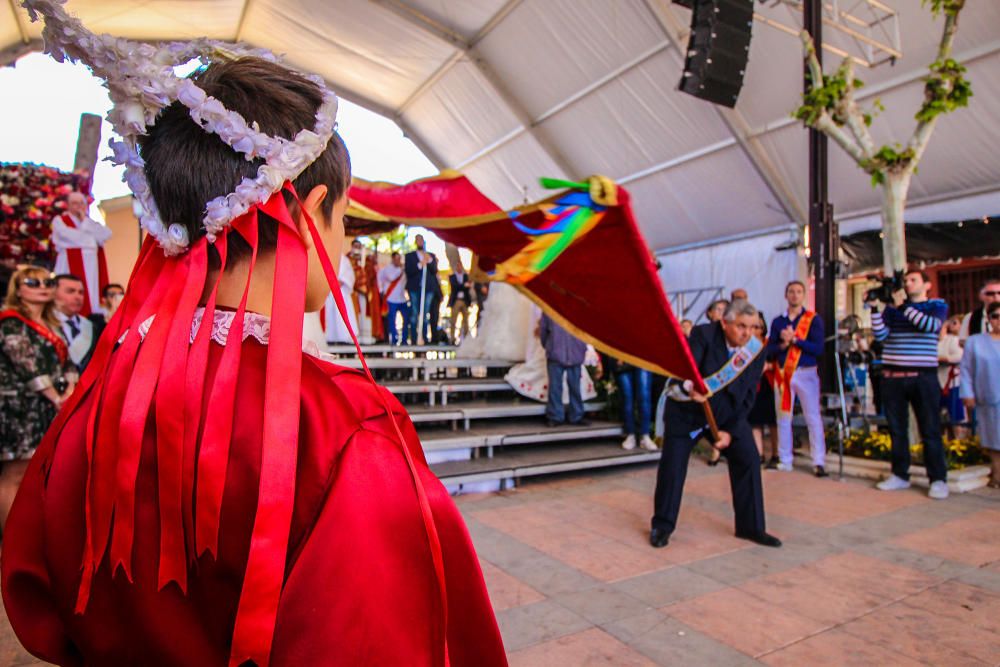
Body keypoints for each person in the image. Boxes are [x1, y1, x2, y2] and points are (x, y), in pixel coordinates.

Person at [1, 21, 505, 667]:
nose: (347, 243)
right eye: (345, 219)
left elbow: (36, 594)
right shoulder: (339, 425)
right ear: (306, 211)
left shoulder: (97, 397)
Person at [650, 300, 780, 549]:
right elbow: (685, 372)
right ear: (724, 323)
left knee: (748, 459)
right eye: (741, 326)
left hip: (726, 416)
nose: (748, 333)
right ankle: (662, 526)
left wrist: (730, 431)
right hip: (687, 413)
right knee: (673, 467)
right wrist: (691, 387)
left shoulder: (755, 349)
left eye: (753, 327)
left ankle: (750, 527)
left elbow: (748, 394)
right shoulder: (703, 335)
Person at [0, 266, 78, 528]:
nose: (42, 286)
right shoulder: (10, 322)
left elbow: (67, 362)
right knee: (16, 473)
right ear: (18, 290)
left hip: (48, 407)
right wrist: (58, 398)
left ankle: (30, 536)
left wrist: (69, 390)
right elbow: (26, 363)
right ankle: (10, 539)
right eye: (32, 282)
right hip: (19, 409)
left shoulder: (51, 323)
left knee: (40, 471)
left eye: (48, 281)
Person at [870, 269, 950, 499]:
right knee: (896, 430)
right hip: (893, 378)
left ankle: (937, 479)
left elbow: (930, 327)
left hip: (922, 377)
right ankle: (900, 475)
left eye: (913, 280)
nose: (908, 283)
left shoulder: (936, 305)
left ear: (926, 285)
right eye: (906, 281)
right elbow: (881, 336)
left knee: (930, 429)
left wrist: (904, 306)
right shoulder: (892, 310)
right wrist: (876, 308)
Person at [769, 280, 827, 477]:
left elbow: (818, 348)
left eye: (799, 292)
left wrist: (796, 340)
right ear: (786, 295)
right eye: (791, 292)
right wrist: (783, 345)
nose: (795, 295)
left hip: (806, 372)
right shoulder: (778, 321)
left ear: (803, 296)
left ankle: (818, 461)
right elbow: (770, 349)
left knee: (813, 417)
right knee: (784, 417)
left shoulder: (813, 320)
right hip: (784, 373)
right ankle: (785, 459)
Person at [51, 191, 112, 316]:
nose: (79, 206)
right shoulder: (60, 220)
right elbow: (67, 235)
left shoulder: (88, 221)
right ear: (67, 205)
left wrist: (84, 223)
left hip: (92, 264)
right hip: (69, 260)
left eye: (82, 203)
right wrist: (91, 238)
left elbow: (106, 234)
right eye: (75, 203)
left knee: (91, 291)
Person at [960, 301, 1000, 488]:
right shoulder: (975, 342)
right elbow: (966, 370)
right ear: (989, 319)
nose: (999, 320)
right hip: (989, 396)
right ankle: (997, 472)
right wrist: (967, 393)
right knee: (992, 437)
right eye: (995, 316)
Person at [539, 313, 588, 427]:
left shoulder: (580, 308)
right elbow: (543, 331)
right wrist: (549, 346)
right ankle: (555, 416)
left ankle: (577, 415)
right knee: (555, 387)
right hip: (556, 352)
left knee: (575, 386)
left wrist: (582, 346)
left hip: (575, 352)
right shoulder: (549, 308)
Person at [53, 273, 105, 371]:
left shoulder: (92, 327)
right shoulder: (43, 325)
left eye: (81, 292)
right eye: (70, 291)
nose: (78, 297)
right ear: (53, 293)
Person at [607, 357, 657, 451]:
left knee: (644, 396)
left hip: (642, 358)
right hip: (622, 358)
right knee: (627, 398)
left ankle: (645, 434)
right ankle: (630, 434)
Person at [748, 314, 778, 468]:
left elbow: (779, 363)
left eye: (758, 327)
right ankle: (759, 454)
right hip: (753, 387)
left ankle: (776, 454)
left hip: (769, 385)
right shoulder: (745, 346)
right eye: (752, 326)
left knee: (773, 422)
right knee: (755, 422)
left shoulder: (769, 344)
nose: (755, 330)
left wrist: (768, 366)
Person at [404, 234, 438, 344]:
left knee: (425, 314)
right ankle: (414, 339)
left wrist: (429, 261)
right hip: (414, 288)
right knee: (414, 313)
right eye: (417, 240)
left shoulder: (430, 255)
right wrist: (420, 264)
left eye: (421, 240)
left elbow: (434, 270)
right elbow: (408, 271)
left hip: (427, 289)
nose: (419, 242)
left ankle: (423, 337)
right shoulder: (410, 256)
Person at [938, 315, 966, 438]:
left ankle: (957, 442)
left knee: (955, 416)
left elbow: (960, 356)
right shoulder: (935, 341)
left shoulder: (956, 340)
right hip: (937, 381)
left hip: (952, 382)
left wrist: (946, 358)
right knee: (938, 415)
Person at [377, 251, 408, 345]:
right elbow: (391, 278)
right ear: (392, 259)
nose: (398, 261)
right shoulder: (388, 269)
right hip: (391, 298)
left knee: (406, 319)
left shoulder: (403, 269)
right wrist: (401, 269)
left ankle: (404, 339)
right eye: (396, 259)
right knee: (392, 320)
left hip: (402, 299)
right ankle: (394, 340)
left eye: (399, 259)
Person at [959, 277, 999, 346]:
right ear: (981, 296)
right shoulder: (970, 317)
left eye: (999, 293)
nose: (996, 296)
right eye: (990, 293)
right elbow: (962, 341)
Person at [449, 266, 472, 344]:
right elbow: (455, 287)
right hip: (456, 300)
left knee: (466, 320)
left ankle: (466, 337)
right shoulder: (452, 277)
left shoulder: (466, 277)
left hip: (464, 300)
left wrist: (463, 286)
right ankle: (452, 338)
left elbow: (468, 287)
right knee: (453, 320)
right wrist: (463, 286)